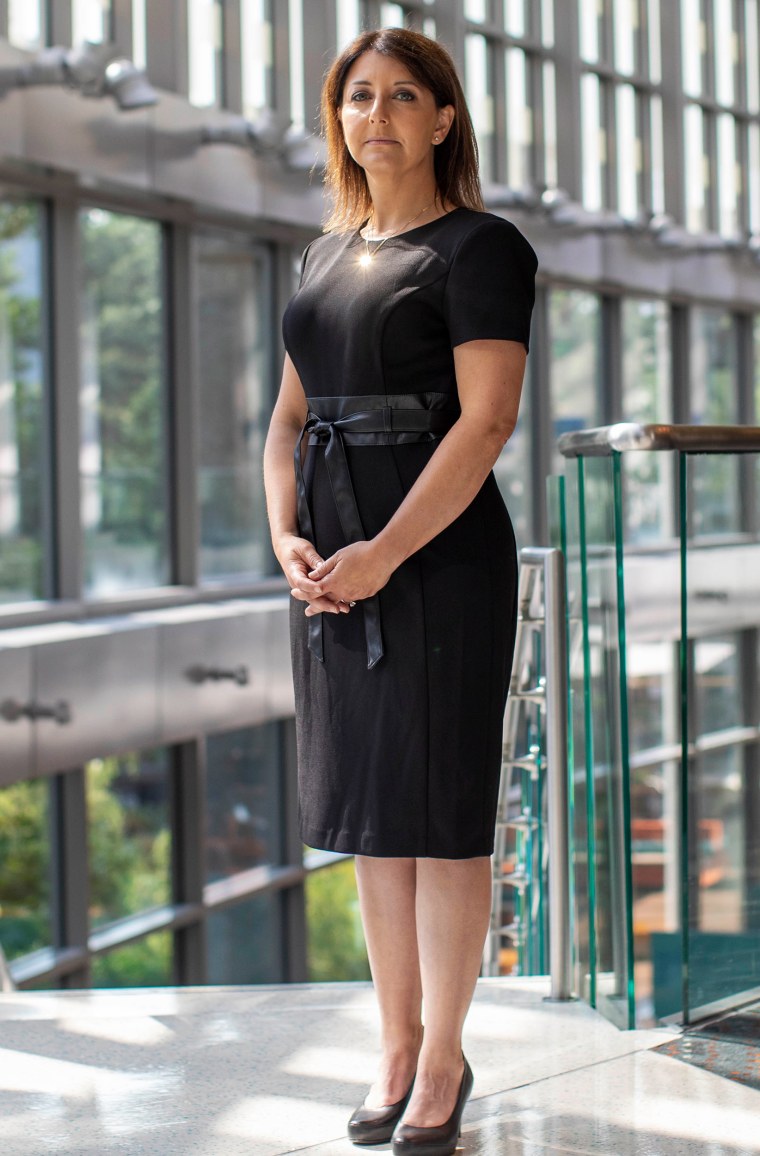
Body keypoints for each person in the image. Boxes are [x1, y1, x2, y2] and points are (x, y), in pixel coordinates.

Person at [263, 26, 537, 1156]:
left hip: (437, 559)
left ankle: (441, 1062)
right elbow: (285, 421)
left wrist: (382, 550)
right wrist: (284, 532)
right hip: (330, 567)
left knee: (440, 821)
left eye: (400, 96)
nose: (373, 115)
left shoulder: (482, 248)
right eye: (355, 97)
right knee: (376, 824)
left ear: (442, 118)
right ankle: (393, 1043)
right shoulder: (321, 258)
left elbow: (485, 423)